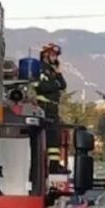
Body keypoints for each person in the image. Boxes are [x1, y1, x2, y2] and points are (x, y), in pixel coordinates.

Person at [34, 43, 67, 174]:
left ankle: (54, 165)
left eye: (56, 55)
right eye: (52, 54)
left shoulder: (53, 71)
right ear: (46, 55)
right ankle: (44, 166)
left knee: (55, 139)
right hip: (44, 107)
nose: (55, 57)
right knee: (46, 137)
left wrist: (58, 74)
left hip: (53, 108)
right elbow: (42, 87)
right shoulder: (40, 69)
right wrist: (55, 84)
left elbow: (63, 85)